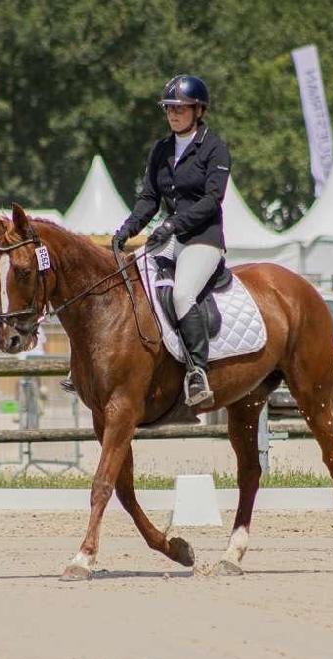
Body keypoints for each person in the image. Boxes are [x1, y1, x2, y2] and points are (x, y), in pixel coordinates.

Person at [111, 74, 232, 408]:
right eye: (169, 109)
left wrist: (174, 224)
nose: (174, 114)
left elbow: (212, 199)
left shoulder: (213, 147)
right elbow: (149, 199)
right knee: (129, 283)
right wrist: (126, 231)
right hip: (169, 236)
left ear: (198, 110)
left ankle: (197, 372)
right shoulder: (161, 149)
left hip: (203, 239)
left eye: (180, 108)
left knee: (182, 294)